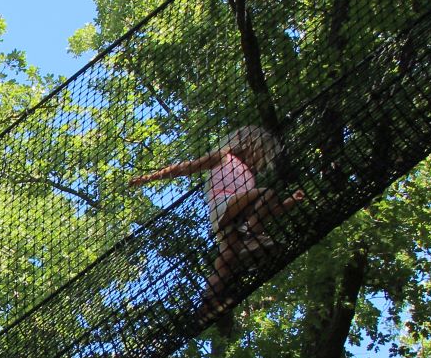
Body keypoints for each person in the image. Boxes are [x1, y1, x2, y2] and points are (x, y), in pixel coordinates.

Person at [127, 124, 304, 321]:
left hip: (236, 220)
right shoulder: (224, 157)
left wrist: (291, 202)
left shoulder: (250, 176)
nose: (259, 160)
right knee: (267, 193)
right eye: (261, 153)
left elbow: (268, 211)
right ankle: (253, 238)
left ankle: (207, 304)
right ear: (248, 144)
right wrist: (149, 177)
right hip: (223, 206)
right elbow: (186, 167)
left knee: (226, 262)